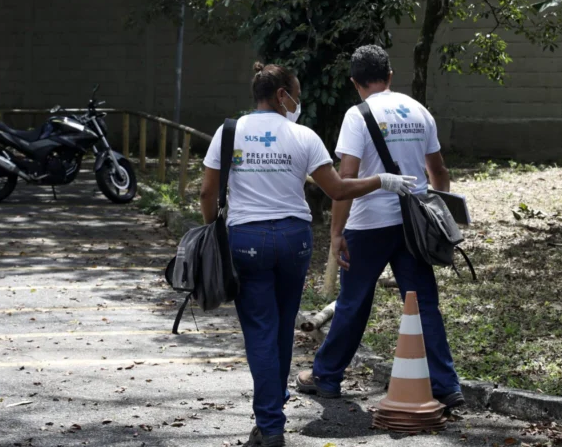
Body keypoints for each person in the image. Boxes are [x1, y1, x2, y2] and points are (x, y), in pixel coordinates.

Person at [199, 62, 417, 447]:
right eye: (296, 93)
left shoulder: (228, 132)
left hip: (247, 239)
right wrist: (381, 180)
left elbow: (206, 192)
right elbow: (337, 189)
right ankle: (273, 410)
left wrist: (215, 235)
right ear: (282, 95)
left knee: (261, 332)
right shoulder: (303, 136)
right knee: (281, 327)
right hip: (294, 240)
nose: (298, 100)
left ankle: (270, 426)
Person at [296, 45, 464, 408]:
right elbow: (439, 172)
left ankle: (326, 376)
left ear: (355, 82)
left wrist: (336, 234)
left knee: (353, 302)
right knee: (423, 304)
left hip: (369, 225)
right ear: (390, 76)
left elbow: (347, 178)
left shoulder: (357, 115)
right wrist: (434, 210)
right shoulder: (419, 111)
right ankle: (446, 384)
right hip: (413, 227)